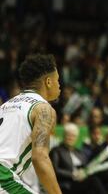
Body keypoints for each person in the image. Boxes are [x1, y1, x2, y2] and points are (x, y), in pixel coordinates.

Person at [0, 54, 62, 194]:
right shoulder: (43, 109)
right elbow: (40, 157)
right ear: (48, 82)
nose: (59, 85)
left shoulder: (5, 106)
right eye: (57, 80)